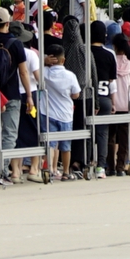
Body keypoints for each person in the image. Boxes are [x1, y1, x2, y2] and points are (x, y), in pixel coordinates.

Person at [39, 43, 79, 181]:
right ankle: (66, 172)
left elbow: (35, 68)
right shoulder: (70, 75)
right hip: (66, 115)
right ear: (63, 59)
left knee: (49, 143)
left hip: (47, 112)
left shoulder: (44, 72)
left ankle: (48, 170)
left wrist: (44, 61)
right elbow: (76, 94)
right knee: (66, 146)